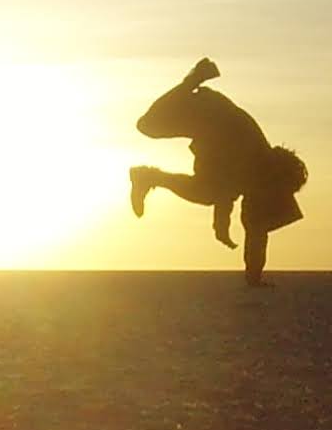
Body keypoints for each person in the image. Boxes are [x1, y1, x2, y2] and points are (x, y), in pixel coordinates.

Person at [129, 58, 306, 286]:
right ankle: (194, 78)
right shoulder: (251, 160)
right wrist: (221, 225)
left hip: (213, 135)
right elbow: (230, 195)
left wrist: (253, 276)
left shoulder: (257, 173)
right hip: (207, 115)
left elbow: (255, 229)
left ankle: (149, 177)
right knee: (148, 125)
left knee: (209, 192)